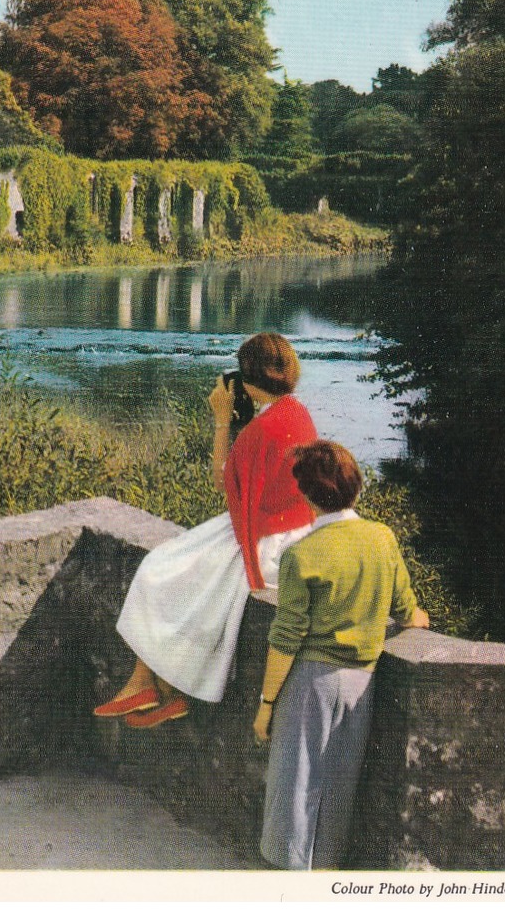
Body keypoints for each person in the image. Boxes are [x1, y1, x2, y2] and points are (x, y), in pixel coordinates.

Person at [95, 332, 317, 727]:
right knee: (182, 575)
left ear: (247, 381)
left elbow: (222, 481)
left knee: (160, 569)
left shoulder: (259, 432)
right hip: (292, 531)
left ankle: (161, 686)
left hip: (263, 540)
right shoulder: (297, 413)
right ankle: (147, 683)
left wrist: (220, 421)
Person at [256, 440, 430, 869]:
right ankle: (325, 877)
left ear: (308, 496)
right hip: (362, 681)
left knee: (294, 787)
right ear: (355, 487)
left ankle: (287, 883)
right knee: (340, 786)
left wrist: (266, 706)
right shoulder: (382, 539)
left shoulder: (301, 555)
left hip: (312, 680)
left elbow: (286, 637)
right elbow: (409, 611)